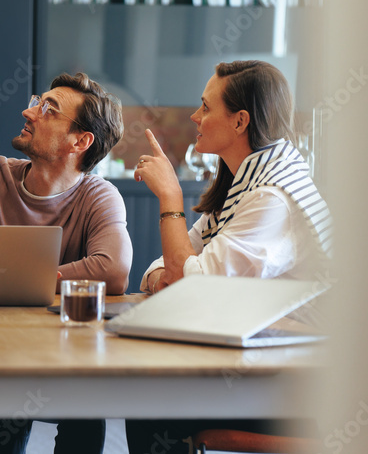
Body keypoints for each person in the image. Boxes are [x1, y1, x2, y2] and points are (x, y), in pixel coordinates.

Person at [124, 60, 331, 454]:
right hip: (263, 361)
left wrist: (170, 197)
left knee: (148, 399)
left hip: (300, 388)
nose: (194, 116)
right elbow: (170, 266)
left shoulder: (271, 198)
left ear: (240, 122)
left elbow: (193, 284)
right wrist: (167, 277)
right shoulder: (245, 184)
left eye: (205, 107)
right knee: (147, 392)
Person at [0, 72, 132, 454]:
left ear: (80, 141)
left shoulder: (100, 196)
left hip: (63, 361)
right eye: (37, 101)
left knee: (88, 403)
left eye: (48, 110)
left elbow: (112, 270)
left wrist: (2, 275)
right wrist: (48, 277)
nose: (29, 112)